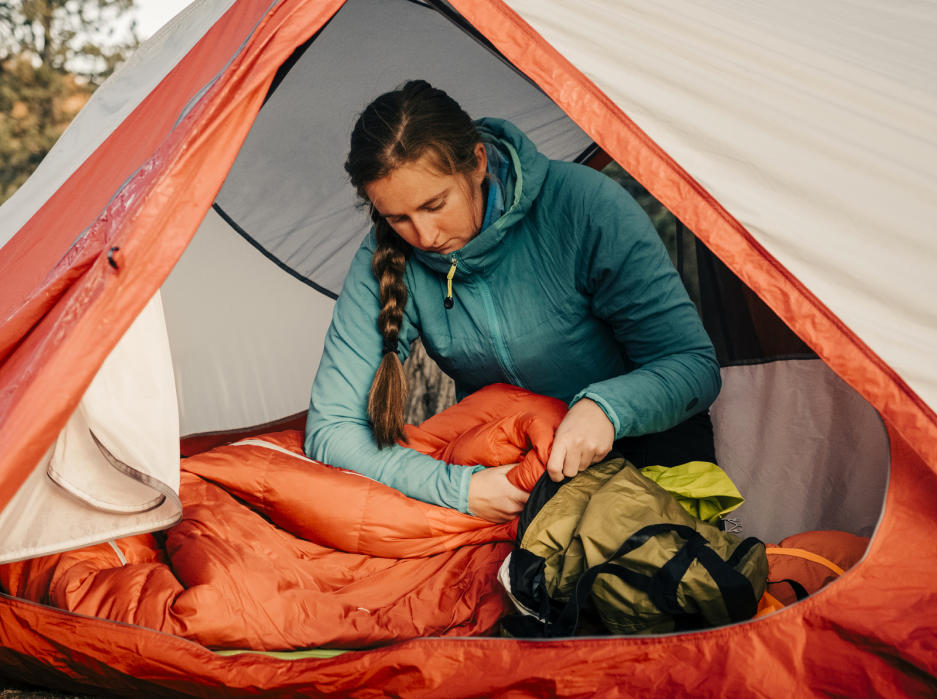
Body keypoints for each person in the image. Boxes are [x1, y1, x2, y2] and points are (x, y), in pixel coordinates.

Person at [305, 80, 721, 523]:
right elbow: (331, 430)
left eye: (435, 204)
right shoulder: (385, 256)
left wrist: (607, 408)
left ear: (478, 163)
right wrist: (460, 489)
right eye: (398, 218)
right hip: (509, 470)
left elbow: (692, 364)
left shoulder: (585, 206)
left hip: (644, 442)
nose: (424, 237)